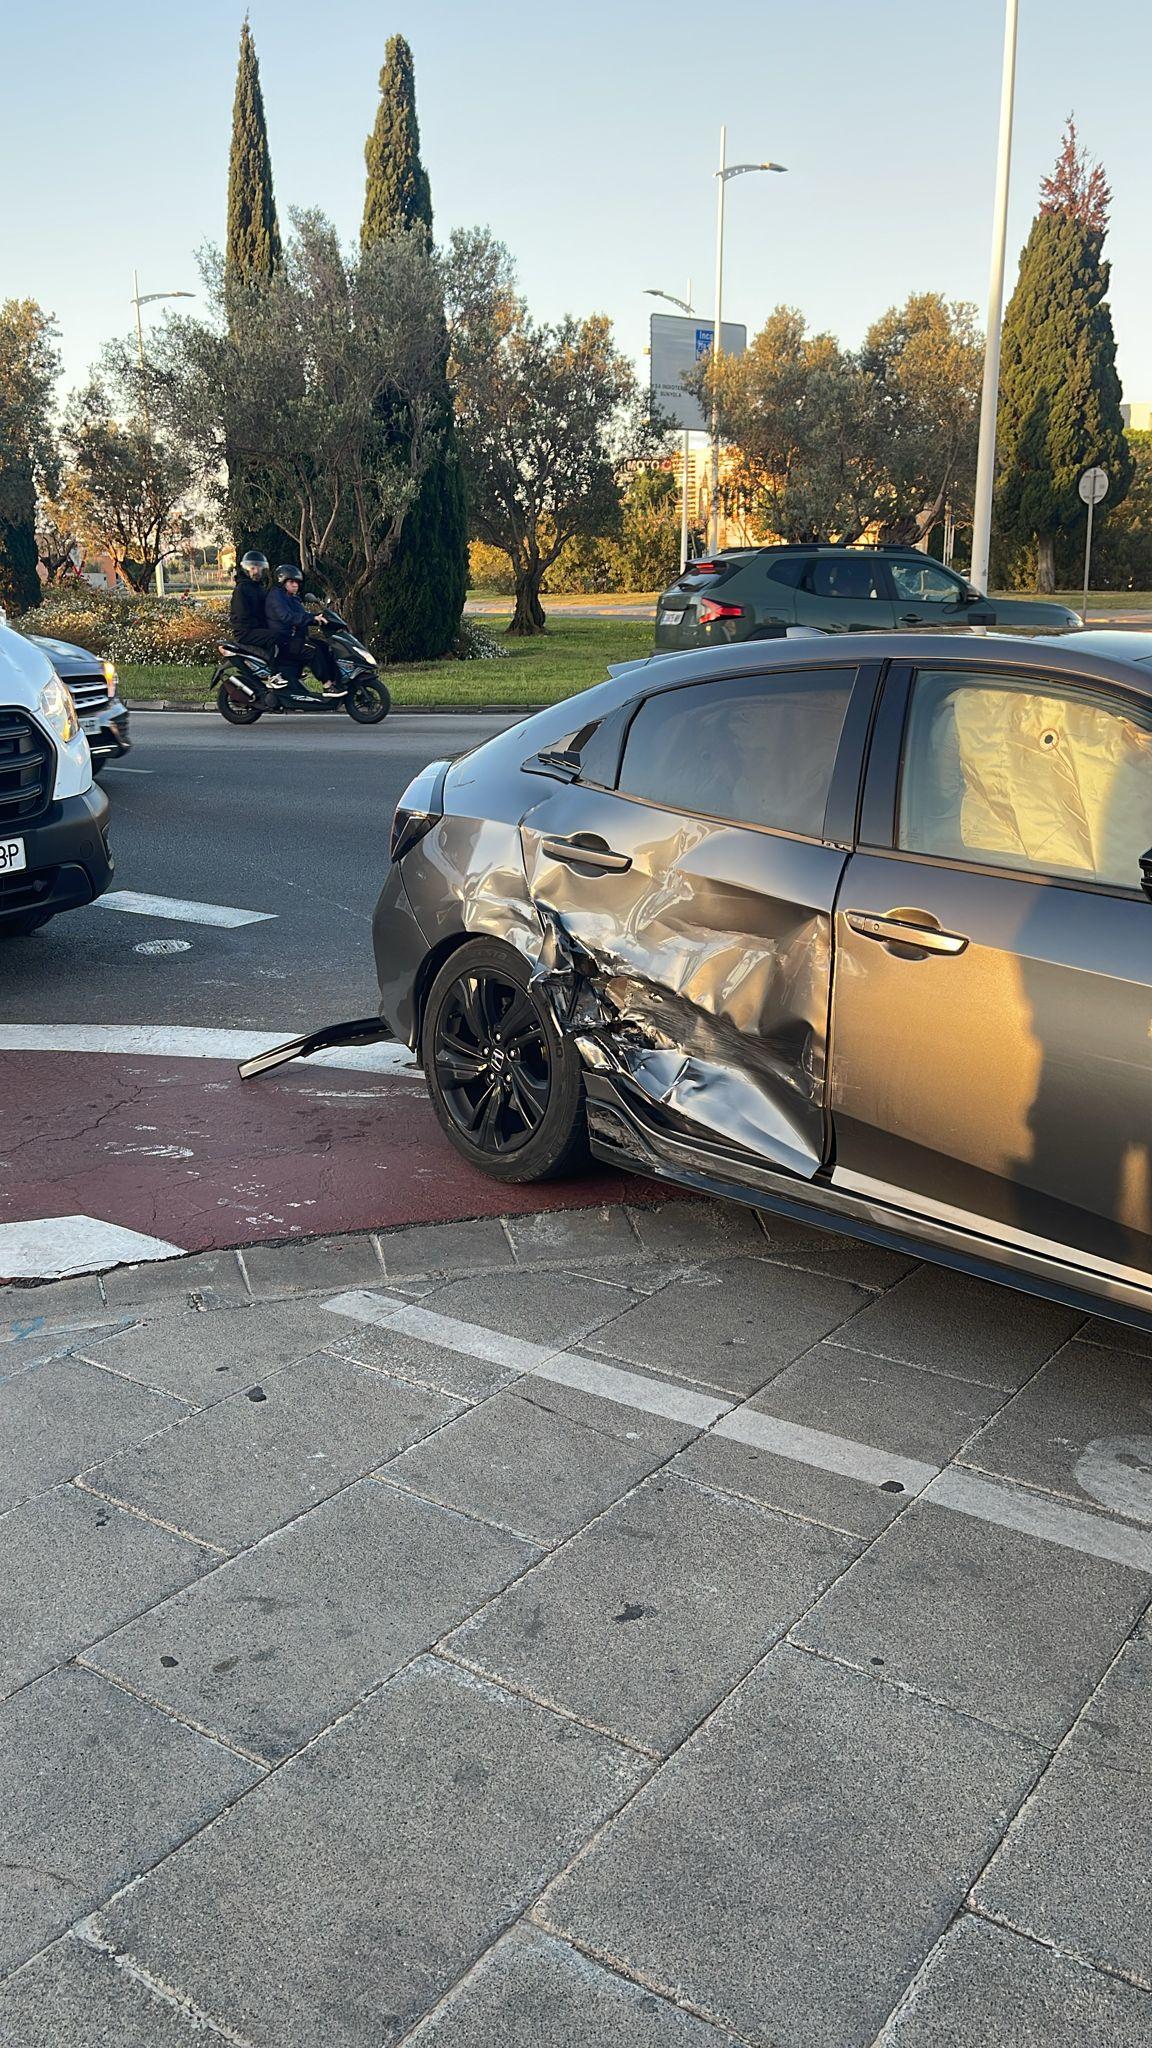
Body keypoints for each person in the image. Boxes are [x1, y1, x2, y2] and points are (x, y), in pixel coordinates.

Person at [265, 564, 345, 697]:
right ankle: (327, 685)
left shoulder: (291, 597)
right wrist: (311, 618)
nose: (295, 585)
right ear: (282, 581)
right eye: (291, 582)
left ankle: (336, 681)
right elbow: (287, 616)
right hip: (283, 640)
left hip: (294, 638)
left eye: (297, 582)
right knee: (313, 650)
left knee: (324, 646)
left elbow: (301, 615)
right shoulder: (276, 596)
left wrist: (317, 617)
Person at [228, 551, 285, 690]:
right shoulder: (242, 589)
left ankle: (288, 671)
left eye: (259, 568)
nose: (256, 571)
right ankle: (274, 675)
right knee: (275, 637)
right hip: (245, 631)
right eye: (253, 568)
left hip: (254, 628)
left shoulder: (258, 588)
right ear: (246, 569)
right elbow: (244, 614)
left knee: (283, 634)